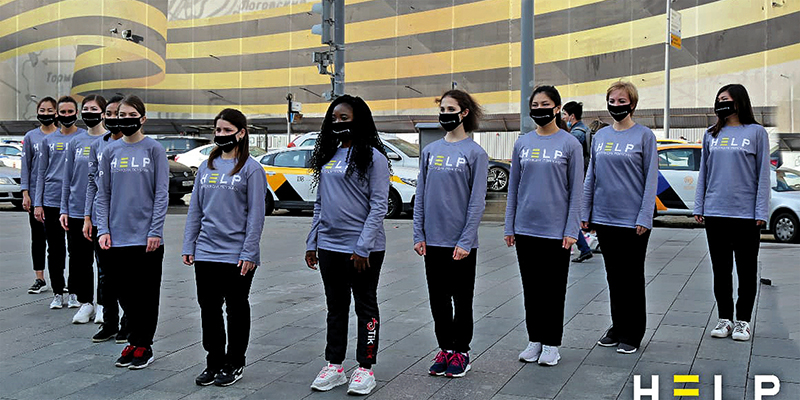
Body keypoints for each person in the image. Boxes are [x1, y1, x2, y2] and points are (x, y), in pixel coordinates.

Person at [305, 95, 390, 395]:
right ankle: (334, 365)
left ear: (360, 119)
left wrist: (363, 246)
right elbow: (320, 203)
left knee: (365, 306)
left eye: (345, 118)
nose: (338, 123)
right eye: (334, 119)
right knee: (336, 307)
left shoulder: (374, 158)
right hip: (329, 246)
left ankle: (365, 368)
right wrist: (312, 241)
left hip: (363, 251)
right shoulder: (329, 155)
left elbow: (379, 206)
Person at [183, 108, 267, 387]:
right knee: (208, 308)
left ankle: (235, 362)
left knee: (236, 308)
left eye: (227, 131)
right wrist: (189, 243)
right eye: (217, 130)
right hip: (206, 250)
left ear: (241, 133)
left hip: (236, 254)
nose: (221, 136)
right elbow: (195, 208)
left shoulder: (252, 169)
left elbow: (256, 214)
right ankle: (214, 361)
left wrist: (249, 252)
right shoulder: (207, 166)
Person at [505, 85, 583, 366]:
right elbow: (513, 187)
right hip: (526, 228)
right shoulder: (522, 143)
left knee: (553, 289)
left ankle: (551, 343)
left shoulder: (570, 143)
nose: (539, 109)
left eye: (545, 104)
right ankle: (534, 339)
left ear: (557, 109)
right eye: (535, 105)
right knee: (531, 288)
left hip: (556, 231)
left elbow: (577, 190)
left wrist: (571, 230)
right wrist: (509, 226)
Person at [413, 89, 488, 378]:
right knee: (438, 300)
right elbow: (421, 195)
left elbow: (476, 201)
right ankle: (444, 347)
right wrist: (418, 234)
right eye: (442, 109)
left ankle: (461, 351)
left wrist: (466, 240)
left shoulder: (475, 153)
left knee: (462, 299)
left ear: (464, 113)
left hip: (461, 244)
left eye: (450, 109)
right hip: (432, 242)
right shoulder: (430, 151)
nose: (445, 114)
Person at [581, 81, 657, 354]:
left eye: (622, 101)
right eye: (612, 100)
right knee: (613, 276)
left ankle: (633, 332)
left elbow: (650, 180)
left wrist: (644, 216)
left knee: (632, 277)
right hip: (604, 218)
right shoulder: (600, 137)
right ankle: (617, 327)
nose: (616, 105)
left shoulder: (644, 136)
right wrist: (585, 211)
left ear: (632, 104)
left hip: (633, 221)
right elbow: (592, 175)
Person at [96, 95, 169, 370]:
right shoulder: (110, 152)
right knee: (120, 290)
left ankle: (142, 344)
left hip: (147, 238)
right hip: (115, 237)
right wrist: (103, 229)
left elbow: (161, 194)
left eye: (131, 115)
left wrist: (155, 231)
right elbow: (102, 194)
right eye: (121, 115)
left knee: (146, 294)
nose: (125, 120)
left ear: (142, 118)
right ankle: (133, 338)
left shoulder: (154, 150)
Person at [693, 84, 769, 342]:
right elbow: (704, 171)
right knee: (720, 269)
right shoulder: (711, 134)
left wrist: (761, 211)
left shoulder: (756, 133)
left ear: (739, 101)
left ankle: (743, 321)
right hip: (715, 212)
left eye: (725, 99)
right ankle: (724, 318)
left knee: (746, 270)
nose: (721, 103)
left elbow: (763, 175)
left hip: (746, 215)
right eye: (718, 99)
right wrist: (699, 205)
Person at [34, 96, 87, 310]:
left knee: (76, 250)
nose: (66, 116)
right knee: (55, 249)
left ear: (77, 113)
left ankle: (74, 292)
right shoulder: (47, 141)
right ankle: (58, 292)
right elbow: (40, 173)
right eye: (62, 112)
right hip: (51, 201)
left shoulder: (84, 137)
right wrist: (38, 203)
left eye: (70, 112)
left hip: (75, 203)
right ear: (57, 114)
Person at [84, 95, 129, 342]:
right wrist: (88, 217)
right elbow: (92, 183)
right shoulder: (97, 146)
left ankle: (128, 323)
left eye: (117, 114)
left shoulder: (135, 146)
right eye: (109, 114)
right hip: (101, 220)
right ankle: (109, 322)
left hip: (125, 222)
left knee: (126, 276)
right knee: (105, 275)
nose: (112, 118)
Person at [59, 95, 107, 324]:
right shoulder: (75, 142)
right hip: (76, 210)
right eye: (85, 109)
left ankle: (102, 304)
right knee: (79, 260)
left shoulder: (109, 142)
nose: (89, 113)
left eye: (94, 109)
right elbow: (67, 178)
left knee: (103, 262)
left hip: (100, 213)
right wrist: (64, 208)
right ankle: (86, 302)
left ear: (104, 112)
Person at [20, 97, 58, 294]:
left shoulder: (62, 136)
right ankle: (40, 277)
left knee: (58, 241)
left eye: (49, 110)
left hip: (57, 196)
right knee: (38, 237)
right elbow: (25, 167)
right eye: (42, 110)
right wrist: (26, 193)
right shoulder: (31, 137)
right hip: (36, 197)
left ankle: (60, 279)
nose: (45, 113)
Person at [562, 101, 593, 263]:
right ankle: (583, 247)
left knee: (569, 213)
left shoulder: (577, 134)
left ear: (572, 116)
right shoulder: (583, 129)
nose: (563, 117)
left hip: (577, 178)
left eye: (564, 114)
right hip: (582, 176)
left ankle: (583, 247)